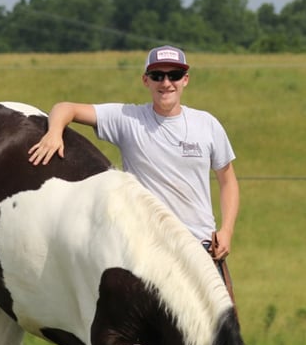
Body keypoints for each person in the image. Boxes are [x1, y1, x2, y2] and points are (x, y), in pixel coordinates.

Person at [27, 44, 240, 263]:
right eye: (157, 75)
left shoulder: (207, 124)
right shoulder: (128, 118)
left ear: (185, 79)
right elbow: (65, 108)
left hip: (201, 249)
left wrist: (227, 231)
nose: (166, 83)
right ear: (145, 80)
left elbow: (228, 181)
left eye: (174, 75)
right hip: (148, 250)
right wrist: (54, 133)